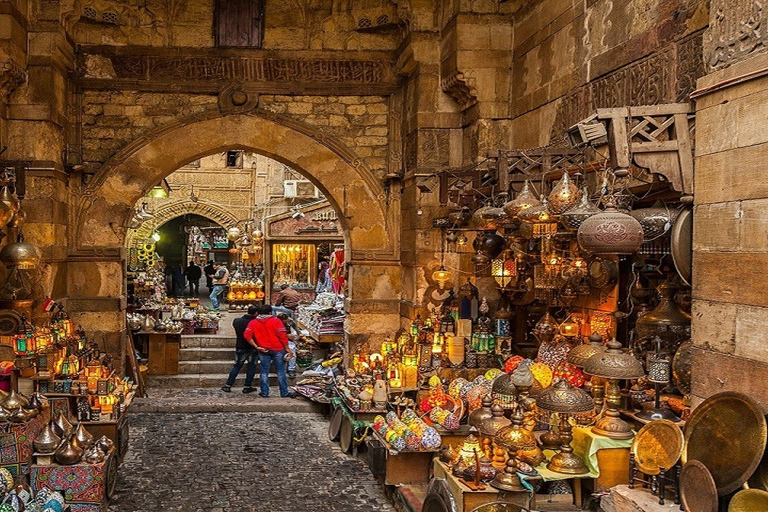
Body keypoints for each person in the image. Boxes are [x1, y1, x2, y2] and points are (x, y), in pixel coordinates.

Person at [244, 304, 295, 398]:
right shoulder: (276, 321)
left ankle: (264, 392)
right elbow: (282, 336)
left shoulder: (253, 323)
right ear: (270, 312)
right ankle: (284, 392)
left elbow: (247, 336)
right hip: (278, 349)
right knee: (280, 371)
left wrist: (256, 347)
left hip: (263, 349)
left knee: (264, 371)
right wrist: (288, 349)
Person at [221, 306, 259, 393]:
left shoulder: (237, 321)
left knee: (237, 366)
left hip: (240, 346)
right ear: (256, 313)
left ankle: (228, 385)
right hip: (253, 347)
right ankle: (247, 386)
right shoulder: (255, 322)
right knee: (251, 367)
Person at [276, 312, 298, 378]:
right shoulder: (275, 324)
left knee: (292, 349)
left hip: (287, 341)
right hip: (278, 340)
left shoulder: (289, 323)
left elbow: (296, 328)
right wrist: (286, 336)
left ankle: (291, 369)